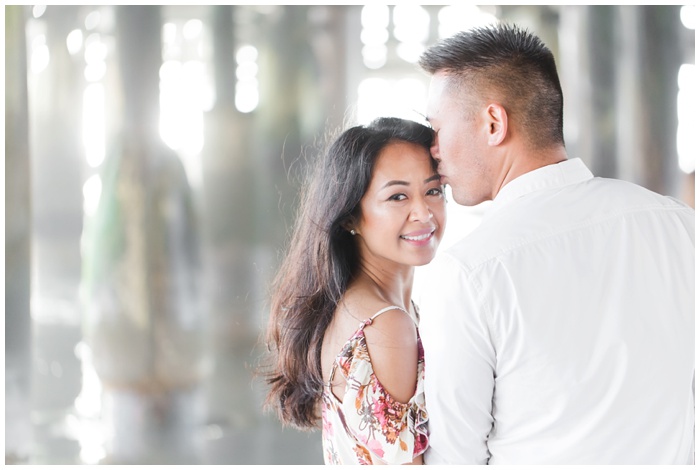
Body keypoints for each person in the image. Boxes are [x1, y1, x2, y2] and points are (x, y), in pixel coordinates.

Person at [416, 23, 694, 464]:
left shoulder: (470, 271)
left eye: (435, 128)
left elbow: (454, 458)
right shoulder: (680, 226)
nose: (432, 149)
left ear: (493, 123)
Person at [263, 117, 446, 464]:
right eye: (398, 196)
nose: (423, 212)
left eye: (433, 190)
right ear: (350, 218)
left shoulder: (354, 305)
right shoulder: (386, 324)